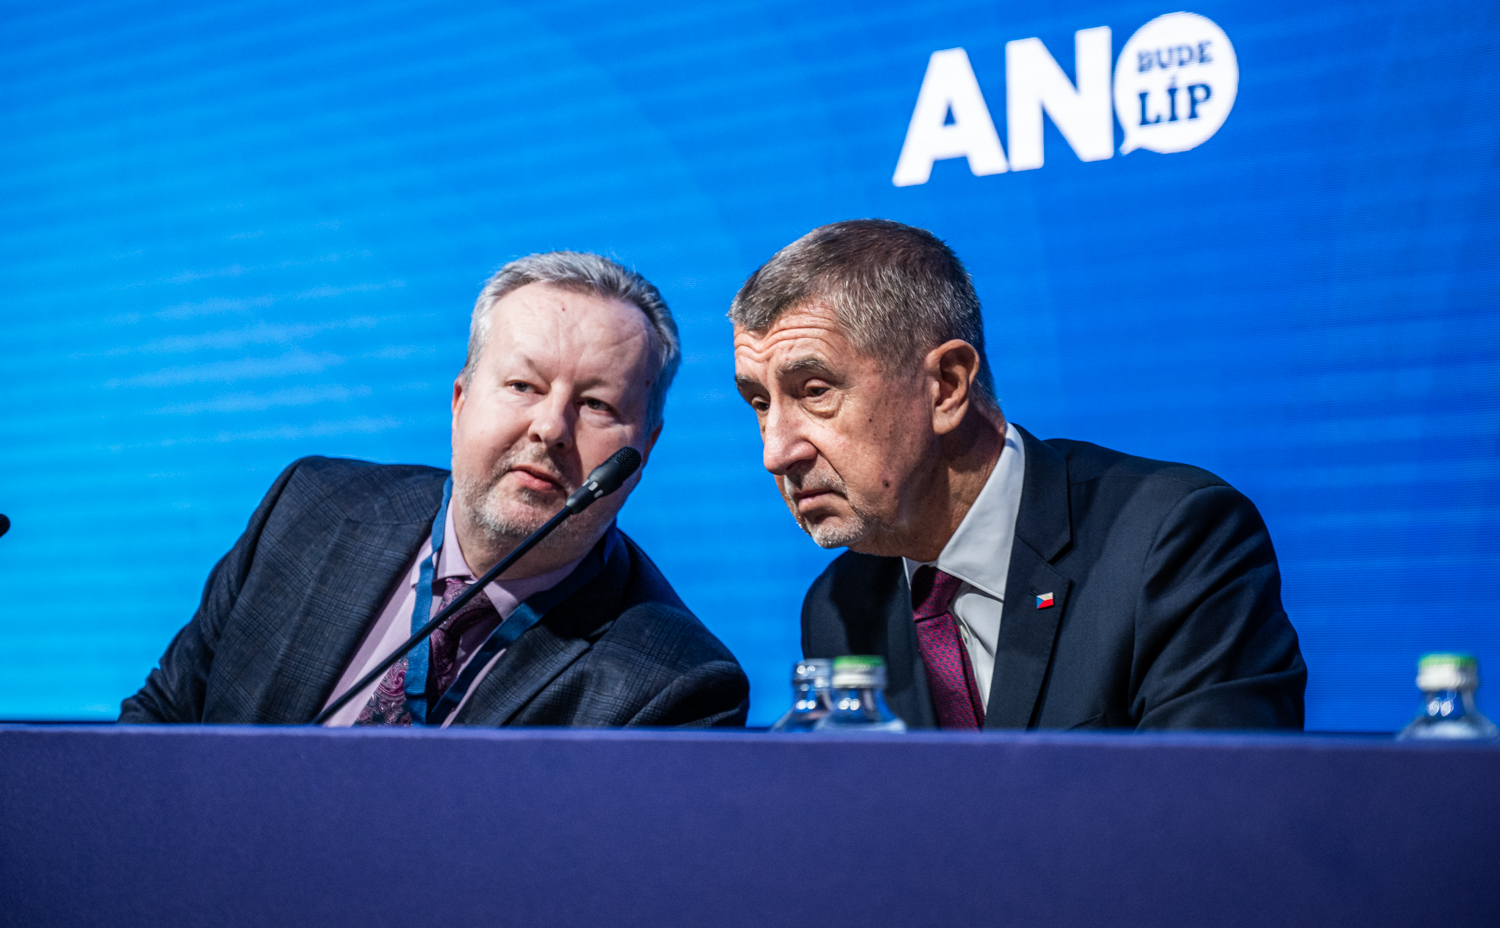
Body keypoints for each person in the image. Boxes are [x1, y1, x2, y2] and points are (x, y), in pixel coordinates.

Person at [122, 252, 749, 727]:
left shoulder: (675, 685)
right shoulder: (307, 509)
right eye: (523, 386)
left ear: (644, 452)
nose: (551, 428)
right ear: (459, 401)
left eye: (596, 405)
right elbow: (157, 727)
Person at [730, 220, 1305, 730]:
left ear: (947, 386)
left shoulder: (1173, 542)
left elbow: (1212, 807)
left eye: (815, 391)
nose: (776, 453)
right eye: (760, 403)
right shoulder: (838, 605)